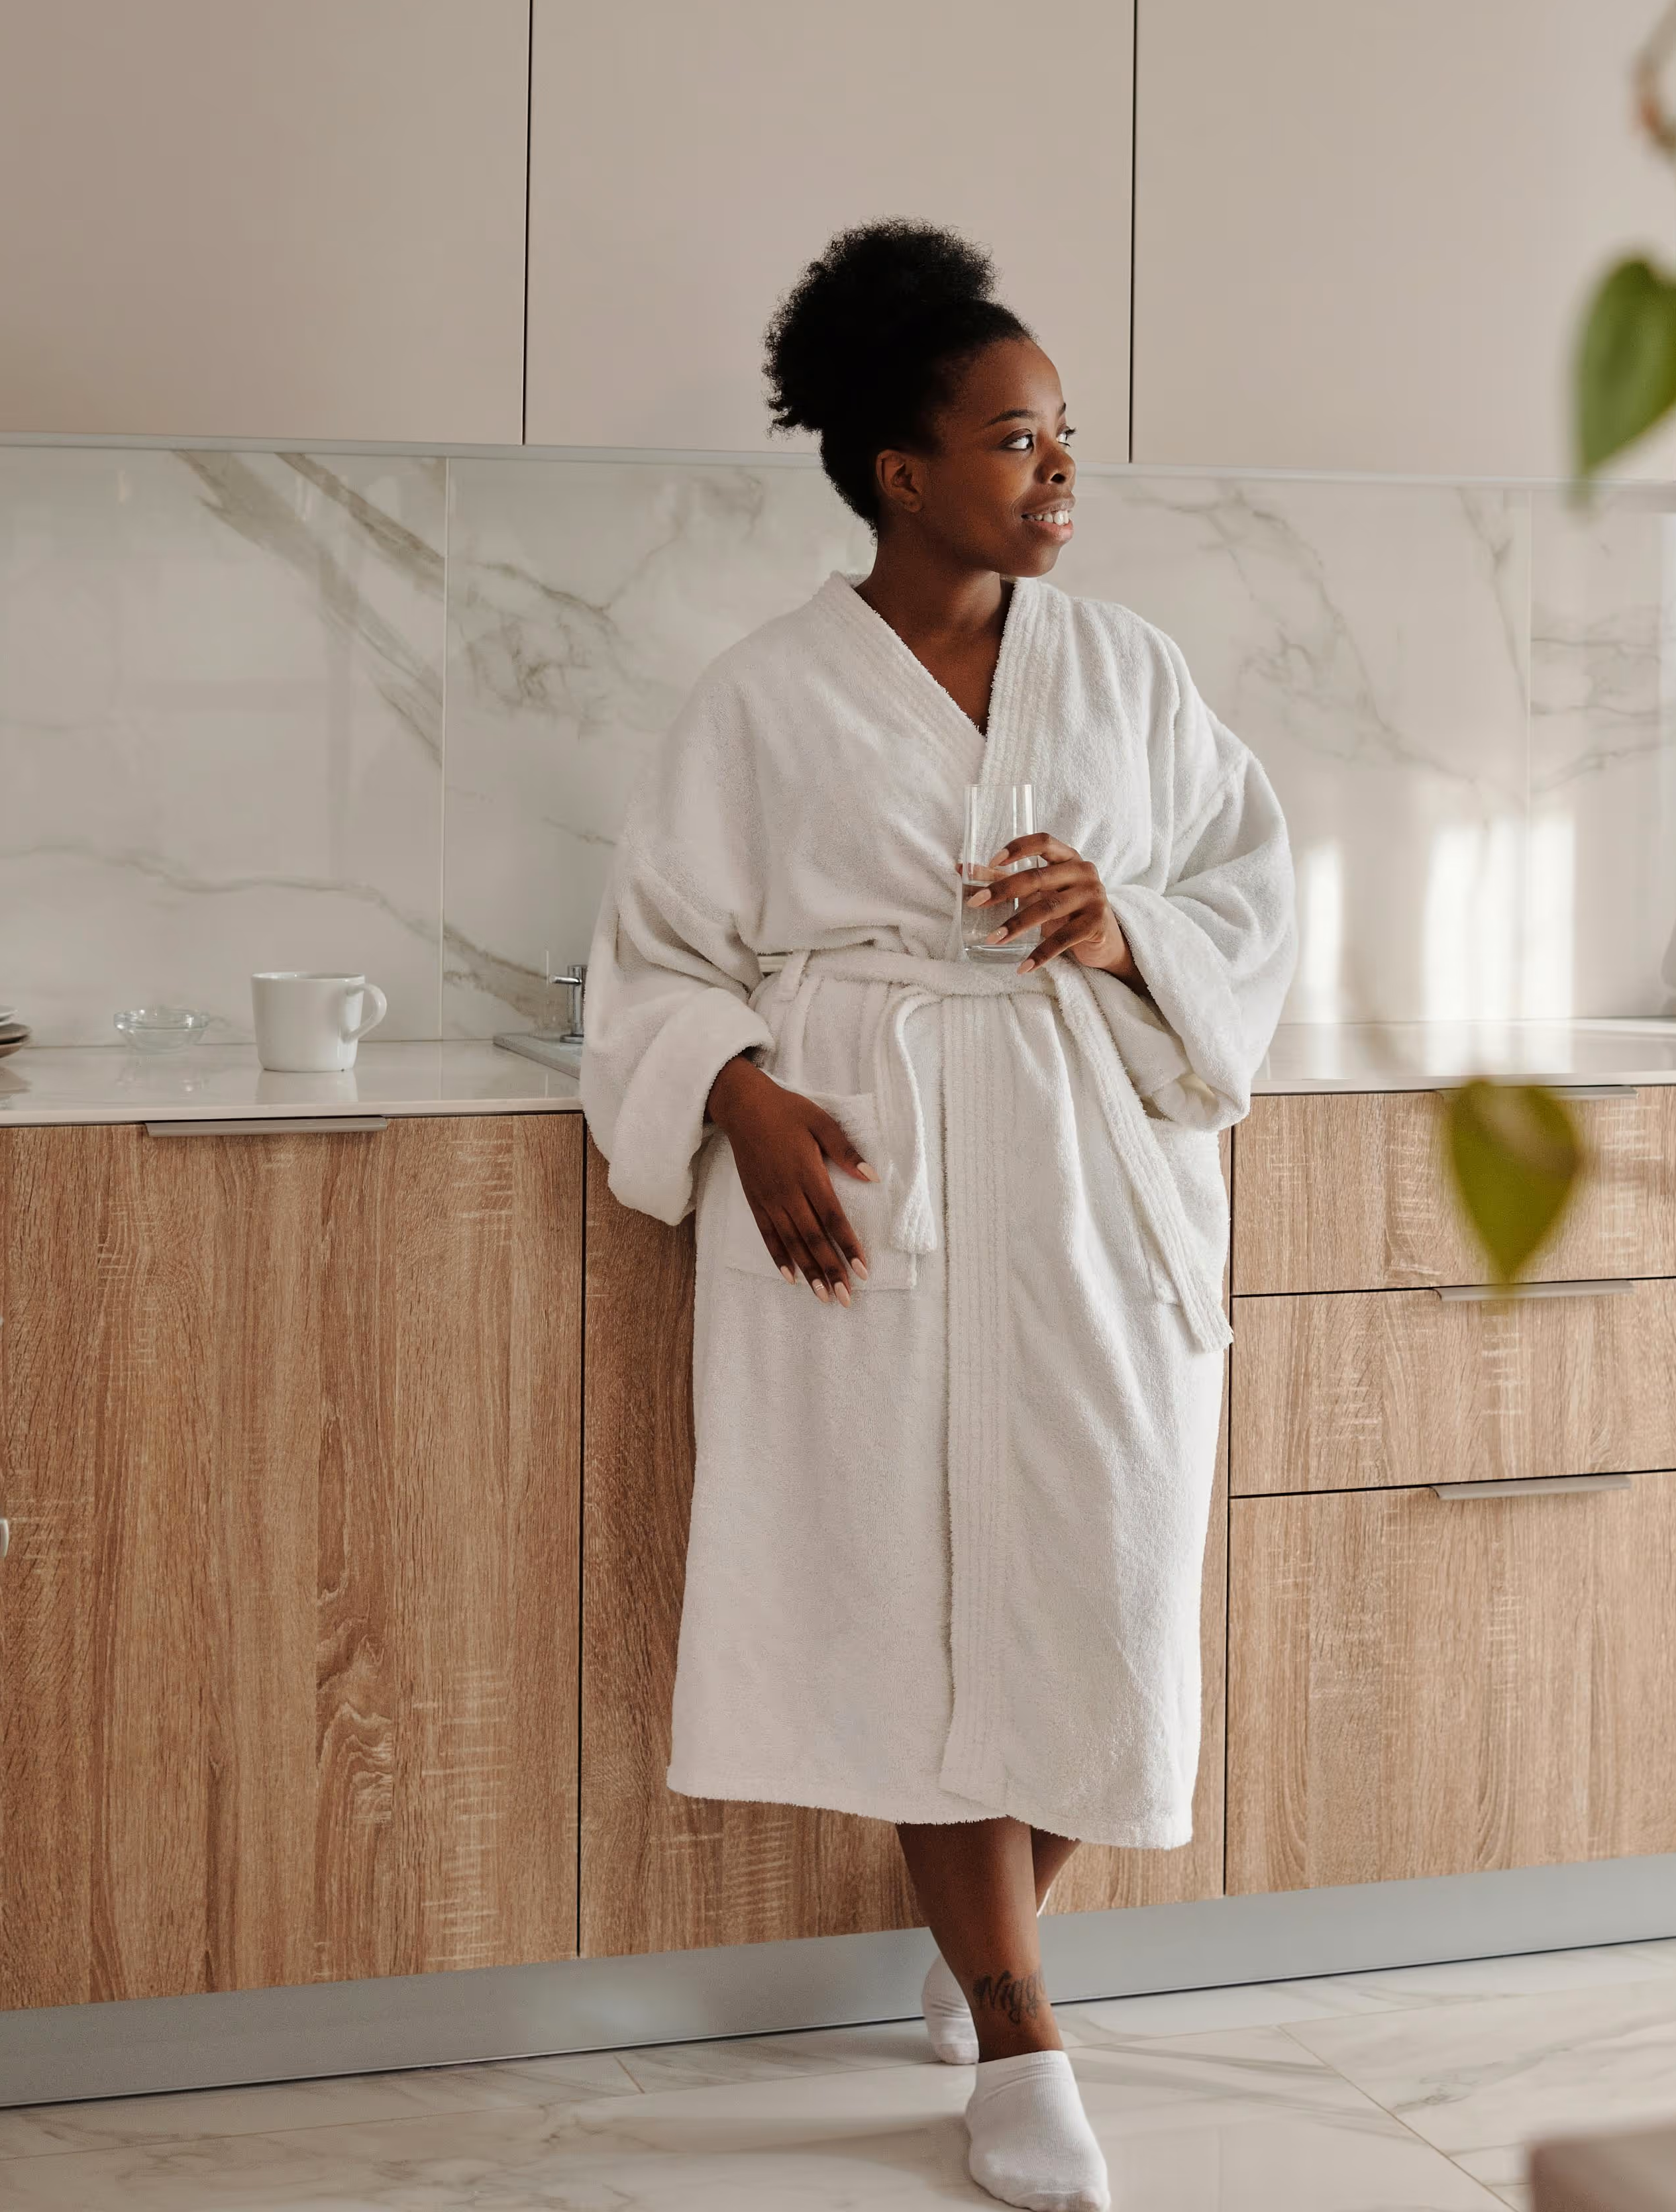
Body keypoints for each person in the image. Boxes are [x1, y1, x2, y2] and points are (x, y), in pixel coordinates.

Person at [579, 222, 1295, 2212]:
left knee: (1098, 1579)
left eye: (1066, 437)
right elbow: (647, 962)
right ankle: (1020, 2040)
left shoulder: (1131, 672)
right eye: (1014, 440)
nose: (1061, 475)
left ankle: (992, 1939)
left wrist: (1128, 919)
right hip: (868, 1179)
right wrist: (738, 1096)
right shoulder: (758, 700)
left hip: (1087, 1176)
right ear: (902, 471)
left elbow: (1253, 889)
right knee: (906, 1594)